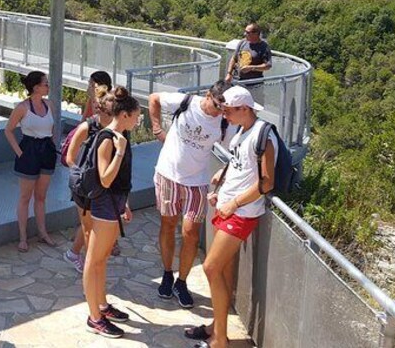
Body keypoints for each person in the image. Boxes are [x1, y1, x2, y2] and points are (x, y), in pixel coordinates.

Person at [191, 86, 276, 348]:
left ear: (244, 109)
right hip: (228, 206)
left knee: (211, 267)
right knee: (224, 272)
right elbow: (241, 163)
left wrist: (234, 203)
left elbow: (266, 182)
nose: (224, 115)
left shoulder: (264, 136)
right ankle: (217, 327)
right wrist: (223, 182)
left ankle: (220, 340)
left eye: (228, 111)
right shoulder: (242, 131)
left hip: (241, 213)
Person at [147, 81, 235, 308]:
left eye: (224, 109)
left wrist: (223, 173)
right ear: (208, 95)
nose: (219, 111)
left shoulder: (224, 123)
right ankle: (167, 274)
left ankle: (182, 281)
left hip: (197, 182)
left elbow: (239, 151)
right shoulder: (186, 102)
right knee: (167, 224)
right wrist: (157, 129)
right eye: (217, 105)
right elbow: (154, 98)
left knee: (191, 233)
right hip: (168, 174)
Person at [82, 86, 139, 339]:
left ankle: (102, 305)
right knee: (94, 260)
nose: (139, 120)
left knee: (102, 259)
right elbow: (105, 179)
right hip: (104, 206)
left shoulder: (121, 135)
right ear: (125, 114)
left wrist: (124, 203)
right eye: (137, 115)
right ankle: (94, 317)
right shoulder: (109, 139)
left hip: (115, 204)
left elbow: (118, 180)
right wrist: (121, 151)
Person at [4, 70, 58, 252]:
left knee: (41, 196)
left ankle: (43, 233)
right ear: (36, 87)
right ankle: (23, 237)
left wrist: (52, 147)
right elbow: (8, 130)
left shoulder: (49, 104)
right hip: (29, 150)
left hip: (46, 150)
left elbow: (52, 128)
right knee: (25, 196)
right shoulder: (22, 108)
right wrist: (20, 153)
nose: (48, 86)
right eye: (45, 84)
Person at [64, 83, 113, 273]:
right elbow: (69, 156)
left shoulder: (117, 129)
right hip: (84, 187)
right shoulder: (86, 127)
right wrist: (81, 176)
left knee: (94, 226)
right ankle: (89, 267)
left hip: (104, 186)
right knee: (88, 227)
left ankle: (78, 256)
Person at [224, 23, 272, 106]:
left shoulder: (264, 47)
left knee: (252, 107)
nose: (245, 34)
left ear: (256, 34)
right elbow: (234, 58)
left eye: (247, 32)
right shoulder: (242, 42)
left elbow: (267, 65)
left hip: (253, 85)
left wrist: (251, 68)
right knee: (234, 105)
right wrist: (229, 73)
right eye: (245, 32)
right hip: (237, 82)